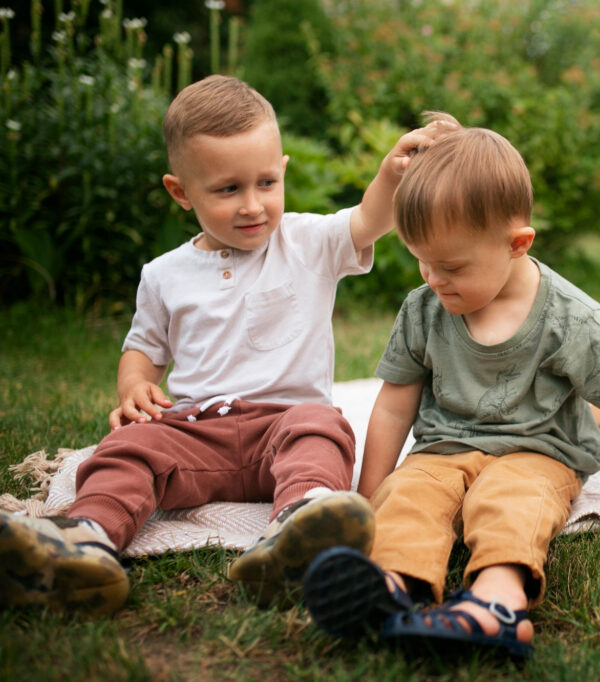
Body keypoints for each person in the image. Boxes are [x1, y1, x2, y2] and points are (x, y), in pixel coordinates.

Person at [0, 75, 450, 614]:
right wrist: (135, 384)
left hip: (283, 425)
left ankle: (303, 522)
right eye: (228, 189)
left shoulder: (308, 242)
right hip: (196, 432)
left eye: (266, 183)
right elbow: (143, 346)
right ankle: (86, 538)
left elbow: (372, 217)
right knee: (124, 449)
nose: (253, 205)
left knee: (325, 428)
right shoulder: (164, 274)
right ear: (180, 191)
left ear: (282, 171)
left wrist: (392, 172)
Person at [301, 113, 600, 660]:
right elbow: (393, 406)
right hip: (443, 449)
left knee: (509, 501)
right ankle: (389, 587)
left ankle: (495, 605)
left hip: (538, 453)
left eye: (448, 265)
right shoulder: (425, 308)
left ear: (517, 244)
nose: (431, 277)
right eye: (419, 260)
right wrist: (369, 496)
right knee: (410, 495)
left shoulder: (573, 320)